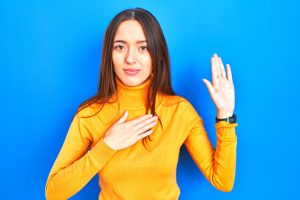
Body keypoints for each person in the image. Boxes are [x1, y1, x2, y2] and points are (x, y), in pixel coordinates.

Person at [45, 7, 238, 200]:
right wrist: (107, 145)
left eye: (143, 47)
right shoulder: (90, 115)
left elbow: (222, 181)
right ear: (109, 56)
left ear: (157, 55)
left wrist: (225, 114)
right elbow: (53, 192)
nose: (130, 58)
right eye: (120, 47)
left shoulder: (179, 111)